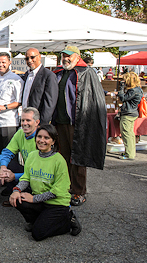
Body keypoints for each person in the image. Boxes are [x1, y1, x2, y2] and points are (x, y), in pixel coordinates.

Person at [53, 45, 107, 206]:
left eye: (69, 56)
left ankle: (78, 191)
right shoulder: (59, 72)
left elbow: (94, 99)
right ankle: (65, 186)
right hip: (60, 122)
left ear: (77, 56)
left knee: (77, 157)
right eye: (63, 56)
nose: (65, 58)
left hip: (77, 123)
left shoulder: (87, 73)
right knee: (62, 156)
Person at [9, 124, 81, 241]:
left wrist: (34, 199)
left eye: (46, 138)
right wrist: (16, 190)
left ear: (53, 141)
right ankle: (36, 221)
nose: (42, 140)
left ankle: (68, 220)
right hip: (41, 200)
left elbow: (56, 192)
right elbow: (25, 178)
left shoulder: (59, 160)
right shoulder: (32, 156)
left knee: (37, 234)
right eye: (39, 137)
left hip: (57, 204)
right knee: (17, 199)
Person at [0, 107, 41, 200]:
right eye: (22, 120)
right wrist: (3, 167)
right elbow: (7, 152)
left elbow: (38, 173)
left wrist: (14, 177)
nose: (24, 123)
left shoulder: (41, 138)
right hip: (28, 171)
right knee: (8, 162)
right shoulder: (20, 133)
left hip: (40, 176)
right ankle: (12, 190)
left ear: (37, 122)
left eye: (28, 120)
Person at [0, 52, 24, 157]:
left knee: (9, 152)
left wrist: (4, 107)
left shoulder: (16, 79)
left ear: (9, 62)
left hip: (9, 122)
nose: (1, 65)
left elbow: (19, 102)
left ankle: (10, 172)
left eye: (3, 62)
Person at [21, 48, 58, 124]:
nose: (29, 61)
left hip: (37, 122)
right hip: (26, 120)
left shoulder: (48, 75)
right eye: (27, 58)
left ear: (39, 57)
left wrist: (42, 124)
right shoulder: (26, 75)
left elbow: (50, 103)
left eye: (32, 57)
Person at [114, 72, 143, 160]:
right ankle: (130, 152)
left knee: (126, 133)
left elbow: (123, 98)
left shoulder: (133, 91)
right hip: (133, 113)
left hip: (128, 113)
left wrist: (121, 88)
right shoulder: (138, 89)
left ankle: (129, 154)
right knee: (130, 134)